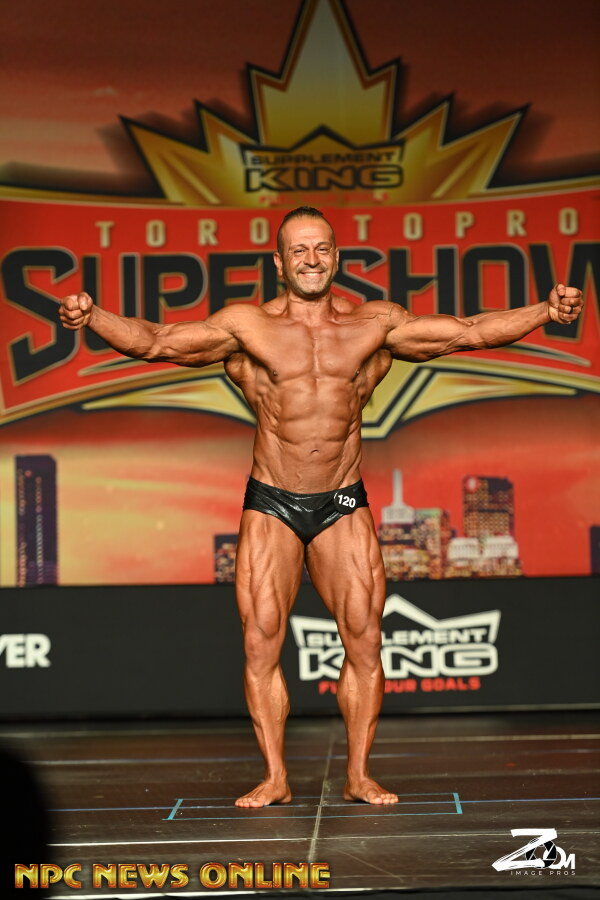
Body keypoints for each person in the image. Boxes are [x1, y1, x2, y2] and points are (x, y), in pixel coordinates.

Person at [59, 206, 584, 808]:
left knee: (364, 638)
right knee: (261, 640)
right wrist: (93, 316)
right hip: (272, 501)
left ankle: (359, 774)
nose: (311, 260)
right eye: (299, 251)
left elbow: (468, 331)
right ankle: (275, 777)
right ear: (279, 263)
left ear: (336, 256)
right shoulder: (246, 326)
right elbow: (156, 342)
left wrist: (545, 312)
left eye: (322, 249)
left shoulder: (374, 324)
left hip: (341, 499)